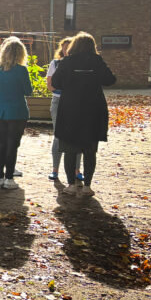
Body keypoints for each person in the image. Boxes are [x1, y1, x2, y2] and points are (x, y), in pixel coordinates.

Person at [51, 32, 116, 196]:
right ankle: (87, 186)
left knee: (70, 149)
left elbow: (55, 82)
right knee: (90, 149)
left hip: (70, 109)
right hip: (93, 109)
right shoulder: (97, 60)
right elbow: (110, 80)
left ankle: (71, 185)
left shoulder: (67, 61)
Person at [0, 36, 32, 190]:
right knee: (12, 144)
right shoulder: (21, 70)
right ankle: (9, 178)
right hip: (17, 111)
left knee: (0, 143)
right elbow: (28, 91)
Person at [45, 37, 74, 181]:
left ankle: (76, 170)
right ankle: (55, 169)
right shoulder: (55, 63)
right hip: (58, 101)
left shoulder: (78, 64)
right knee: (58, 135)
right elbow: (50, 85)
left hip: (75, 102)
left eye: (70, 47)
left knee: (76, 136)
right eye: (64, 47)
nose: (67, 50)